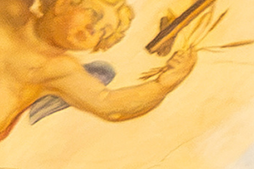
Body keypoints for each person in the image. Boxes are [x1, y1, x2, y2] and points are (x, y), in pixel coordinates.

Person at [0, 0, 196, 141]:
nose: (94, 29)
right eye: (94, 14)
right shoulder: (10, 11)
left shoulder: (59, 69)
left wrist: (162, 85)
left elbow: (109, 104)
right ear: (63, 4)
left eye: (104, 33)